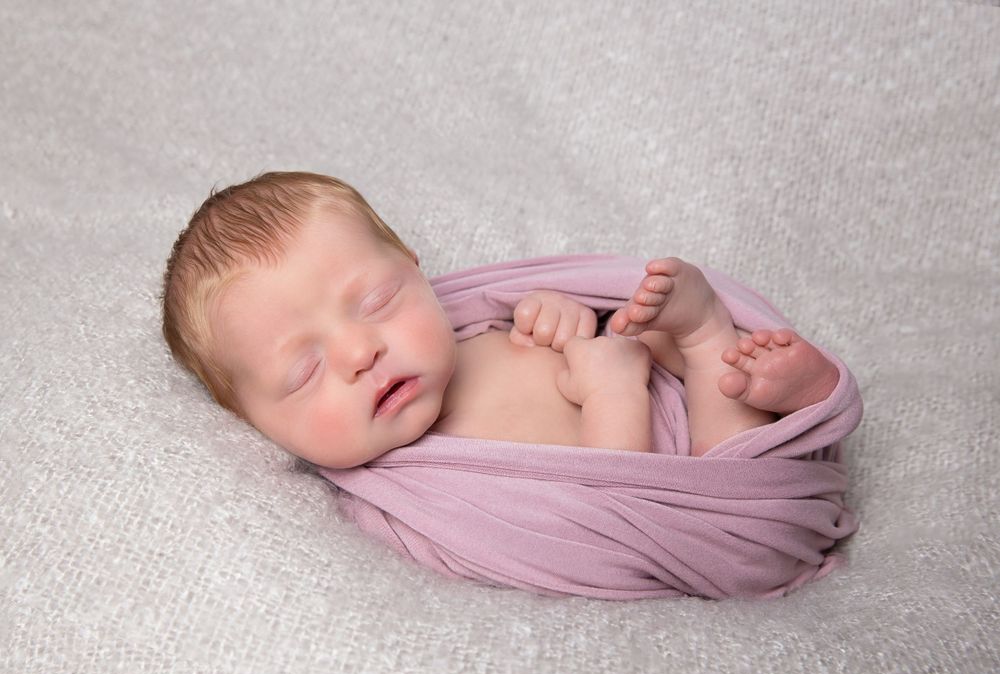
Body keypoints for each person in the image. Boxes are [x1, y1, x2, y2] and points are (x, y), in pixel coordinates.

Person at [161, 171, 840, 469]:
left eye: (375, 303)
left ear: (416, 268)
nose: (360, 353)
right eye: (304, 370)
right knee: (725, 457)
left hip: (650, 380)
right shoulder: (420, 494)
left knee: (645, 331)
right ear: (252, 420)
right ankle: (712, 341)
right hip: (680, 466)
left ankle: (707, 345)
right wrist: (612, 389)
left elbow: (576, 330)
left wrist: (558, 316)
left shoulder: (470, 328)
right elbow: (605, 509)